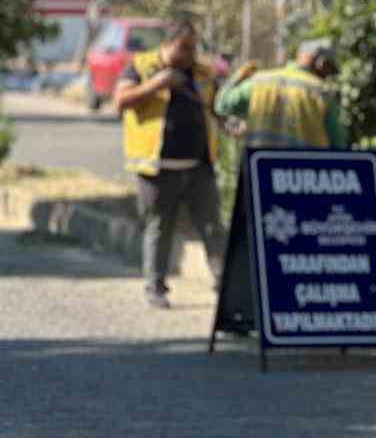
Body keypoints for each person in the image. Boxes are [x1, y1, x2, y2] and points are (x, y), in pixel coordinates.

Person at [113, 18, 226, 310]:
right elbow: (121, 101)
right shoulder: (140, 66)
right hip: (156, 167)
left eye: (193, 48)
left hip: (199, 165)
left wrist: (228, 123)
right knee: (160, 228)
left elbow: (216, 108)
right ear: (167, 44)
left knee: (212, 226)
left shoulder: (202, 72)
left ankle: (223, 285)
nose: (189, 54)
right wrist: (156, 84)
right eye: (184, 48)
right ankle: (156, 287)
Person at [214, 39, 347, 150]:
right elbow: (337, 145)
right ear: (321, 63)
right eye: (330, 70)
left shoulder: (260, 81)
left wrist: (240, 74)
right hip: (305, 175)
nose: (328, 76)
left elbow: (222, 104)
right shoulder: (322, 92)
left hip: (259, 170)